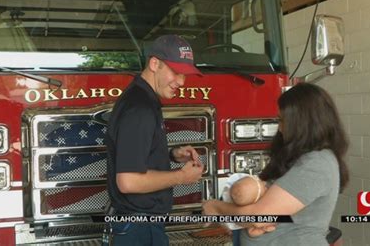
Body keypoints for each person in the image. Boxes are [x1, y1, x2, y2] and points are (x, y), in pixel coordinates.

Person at [203, 83, 349, 246]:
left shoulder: (317, 164)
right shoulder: (298, 158)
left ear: (302, 123)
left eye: (282, 120)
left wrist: (216, 208)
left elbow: (259, 216)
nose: (280, 128)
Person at [105, 34, 204, 246]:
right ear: (154, 63)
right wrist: (181, 177)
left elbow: (136, 154)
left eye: (185, 75)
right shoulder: (140, 108)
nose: (181, 82)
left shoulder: (142, 99)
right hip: (139, 229)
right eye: (176, 72)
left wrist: (171, 154)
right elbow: (128, 181)